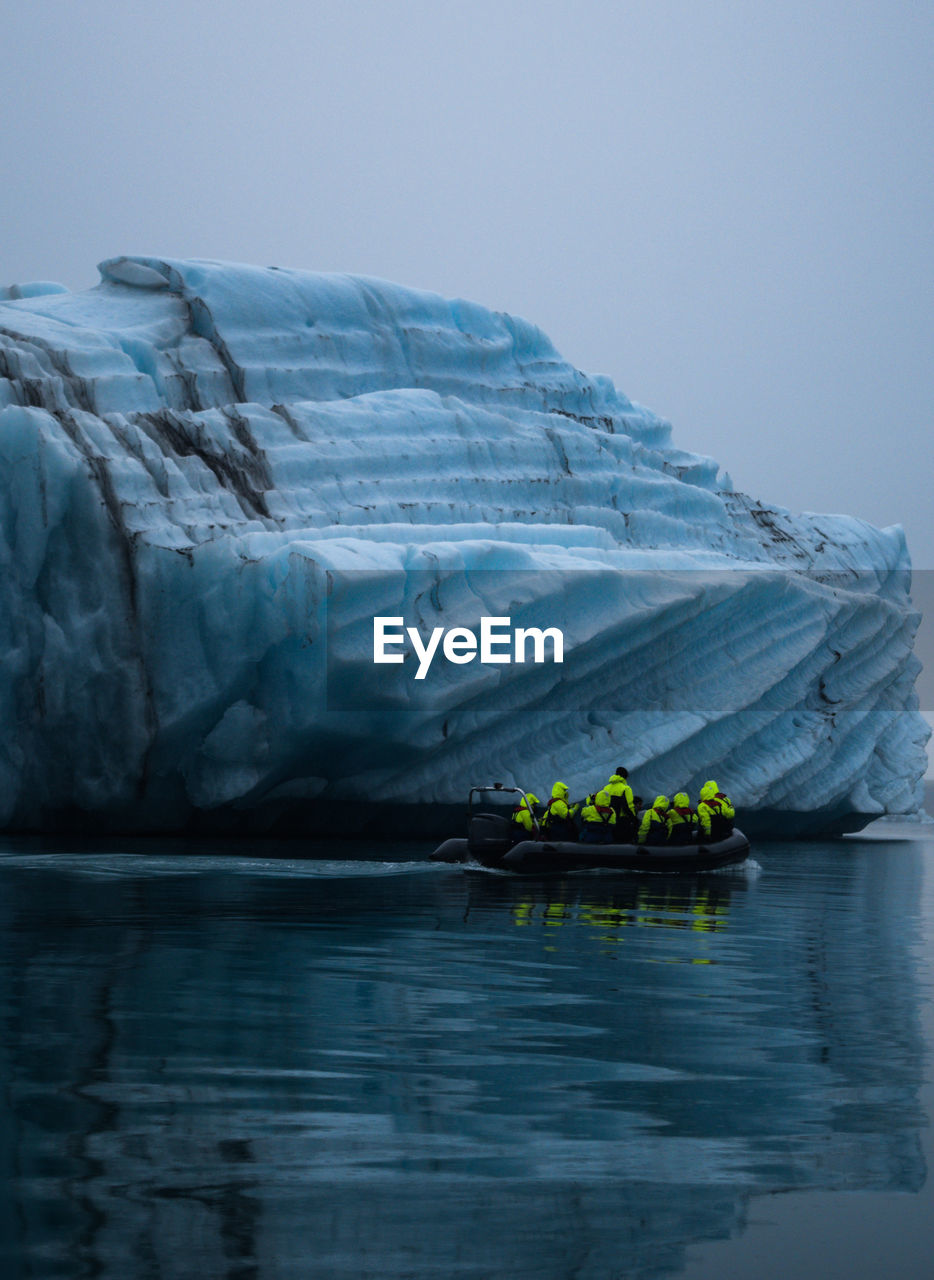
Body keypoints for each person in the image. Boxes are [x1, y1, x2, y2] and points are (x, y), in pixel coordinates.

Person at [604, 767, 637, 838]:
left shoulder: (606, 788)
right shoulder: (625, 788)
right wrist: (634, 818)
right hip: (622, 820)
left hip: (608, 818)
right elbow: (628, 806)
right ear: (625, 776)